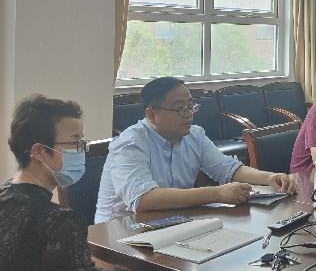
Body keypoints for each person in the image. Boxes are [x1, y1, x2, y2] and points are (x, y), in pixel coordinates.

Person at [1, 94, 202, 271]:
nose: (81, 152)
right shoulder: (59, 221)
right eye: (75, 143)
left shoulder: (6, 196)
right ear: (40, 151)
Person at [97, 77, 298, 222]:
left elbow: (227, 169)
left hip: (171, 222)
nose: (188, 114)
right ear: (151, 115)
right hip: (120, 234)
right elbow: (143, 200)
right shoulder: (130, 144)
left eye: (190, 106)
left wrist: (270, 177)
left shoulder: (194, 135)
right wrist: (216, 194)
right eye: (180, 108)